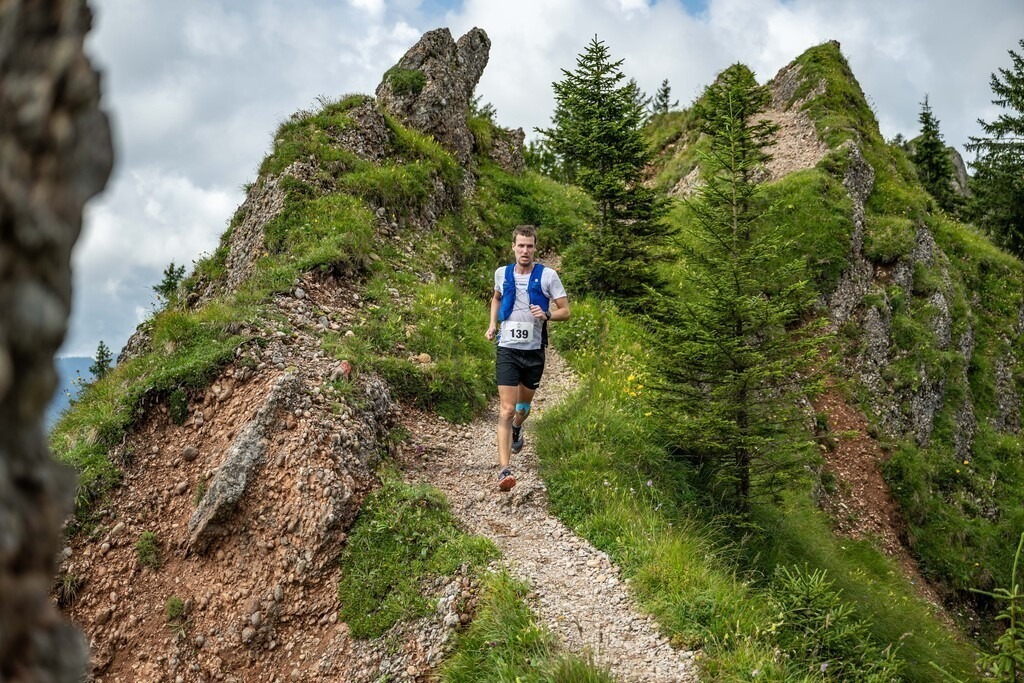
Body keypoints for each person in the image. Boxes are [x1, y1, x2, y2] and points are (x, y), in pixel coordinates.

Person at [485, 225, 570, 491]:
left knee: (521, 410)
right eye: (520, 245)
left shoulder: (548, 276)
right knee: (507, 409)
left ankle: (518, 429)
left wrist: (547, 315)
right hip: (507, 349)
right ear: (513, 247)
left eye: (529, 246)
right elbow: (496, 299)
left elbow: (565, 311)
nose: (525, 250)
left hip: (533, 352)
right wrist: (492, 325)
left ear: (535, 248)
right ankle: (504, 470)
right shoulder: (502, 273)